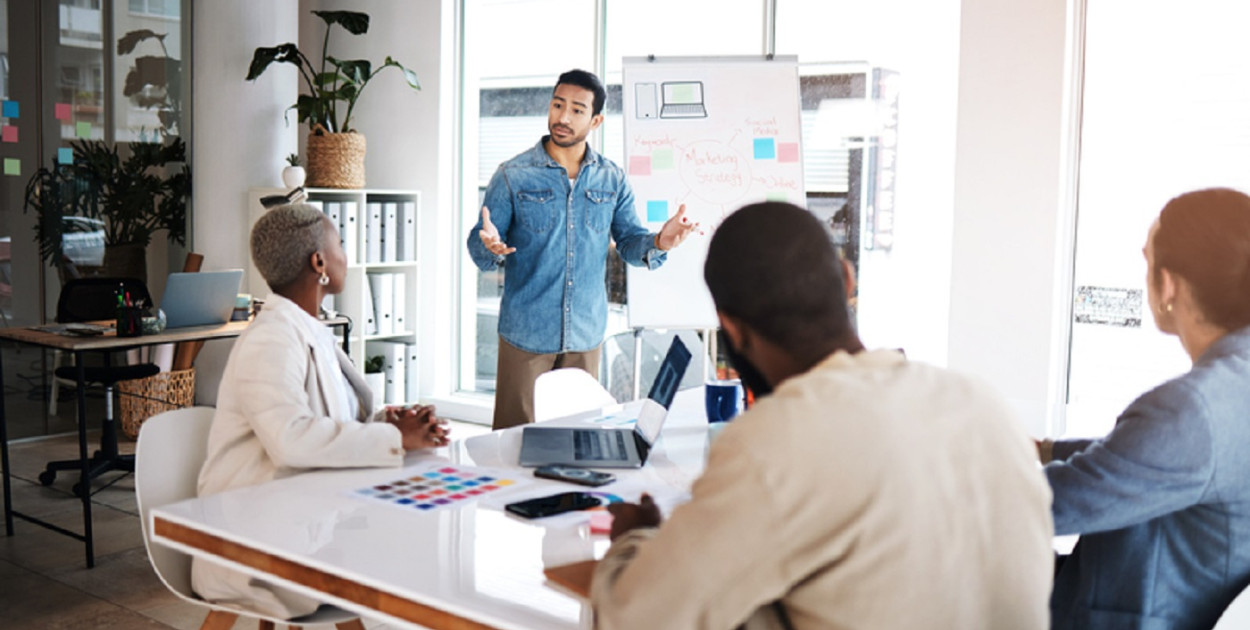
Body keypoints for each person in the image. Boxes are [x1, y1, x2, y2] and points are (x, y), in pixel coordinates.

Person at [591, 202, 1053, 629]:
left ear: (729, 326)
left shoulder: (776, 442)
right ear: (848, 280)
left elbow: (633, 617)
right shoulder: (982, 403)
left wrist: (634, 541)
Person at [193, 203, 449, 619]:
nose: (346, 254)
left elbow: (331, 422)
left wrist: (392, 424)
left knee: (416, 542)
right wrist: (392, 440)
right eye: (341, 244)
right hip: (257, 538)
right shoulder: (271, 339)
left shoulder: (312, 329)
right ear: (319, 262)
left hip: (309, 517)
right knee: (415, 561)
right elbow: (291, 439)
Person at [1042, 187, 1250, 629]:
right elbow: (1146, 460)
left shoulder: (1195, 410)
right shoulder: (1232, 390)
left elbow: (1043, 506)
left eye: (1147, 259)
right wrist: (1042, 451)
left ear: (1168, 284)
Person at [466, 68, 697, 430]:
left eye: (576, 110)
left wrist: (657, 242)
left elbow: (629, 242)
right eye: (557, 105)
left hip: (585, 336)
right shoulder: (513, 174)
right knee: (514, 442)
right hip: (526, 334)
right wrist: (489, 245)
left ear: (596, 119)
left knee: (578, 440)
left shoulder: (612, 178)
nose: (562, 117)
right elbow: (481, 246)